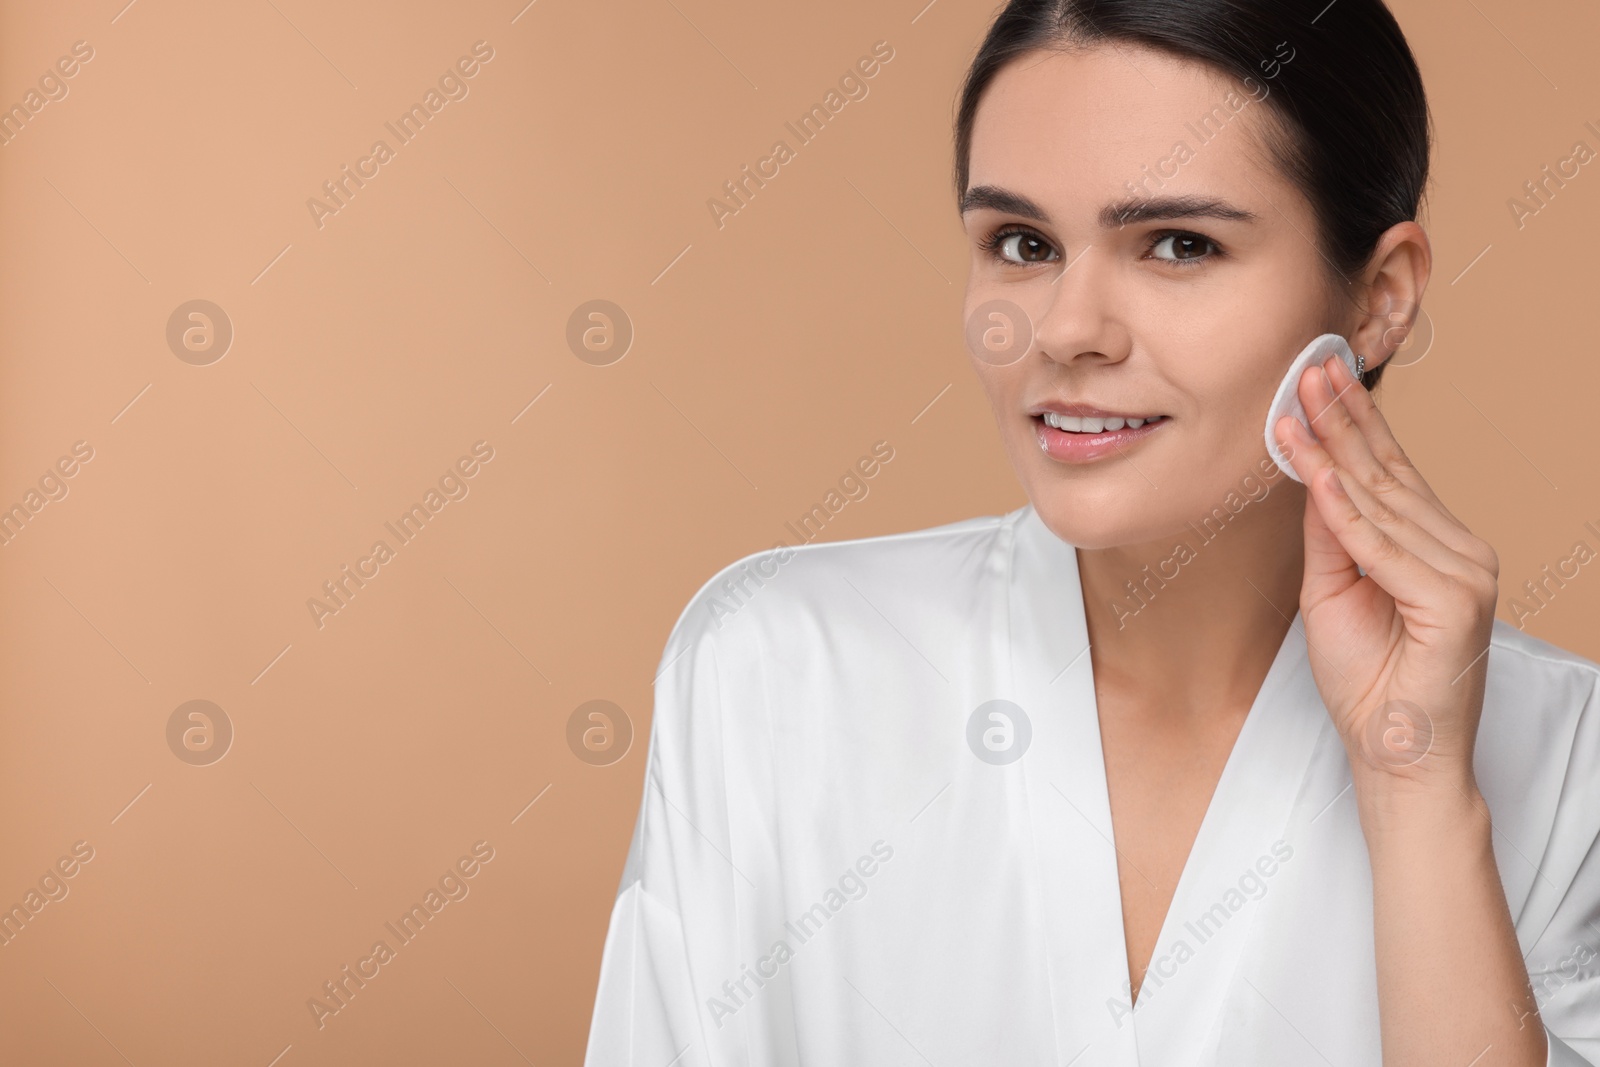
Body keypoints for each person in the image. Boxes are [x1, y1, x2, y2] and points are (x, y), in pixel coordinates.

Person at [583, 1, 1600, 1063]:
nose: (1065, 330)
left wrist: (1414, 790)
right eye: (1021, 243)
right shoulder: (778, 664)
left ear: (1380, 299)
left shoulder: (1562, 751)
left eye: (1176, 244)